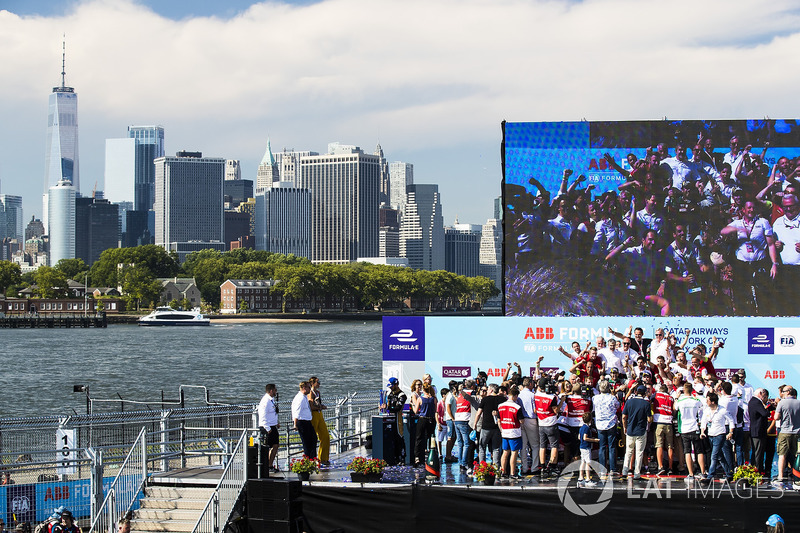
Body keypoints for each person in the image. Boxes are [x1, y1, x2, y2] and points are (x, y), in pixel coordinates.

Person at [700, 392, 734, 482]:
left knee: (714, 456)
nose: (706, 402)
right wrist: (702, 431)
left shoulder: (722, 410)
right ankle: (729, 473)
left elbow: (731, 420)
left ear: (713, 402)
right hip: (711, 435)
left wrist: (730, 432)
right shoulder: (707, 410)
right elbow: (703, 421)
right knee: (719, 456)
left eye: (708, 400)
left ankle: (710, 476)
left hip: (720, 434)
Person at [675, 382, 706, 479]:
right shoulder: (696, 400)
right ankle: (703, 472)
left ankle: (691, 474)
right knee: (699, 451)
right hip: (695, 428)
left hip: (685, 429)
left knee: (687, 451)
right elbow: (701, 411)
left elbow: (674, 408)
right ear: (692, 390)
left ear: (684, 390)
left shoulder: (680, 401)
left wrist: (676, 397)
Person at [621, 385, 652, 479]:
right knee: (639, 452)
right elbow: (649, 419)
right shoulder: (646, 404)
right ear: (644, 393)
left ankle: (624, 471)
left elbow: (623, 417)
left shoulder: (629, 402)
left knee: (628, 451)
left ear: (636, 392)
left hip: (630, 430)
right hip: (641, 431)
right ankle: (637, 473)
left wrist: (624, 427)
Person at [773, 386, 800, 489]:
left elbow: (776, 417)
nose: (782, 394)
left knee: (782, 455)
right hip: (797, 432)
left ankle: (780, 477)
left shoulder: (782, 403)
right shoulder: (799, 402)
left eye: (783, 392)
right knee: (796, 455)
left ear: (788, 393)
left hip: (785, 432)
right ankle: (796, 476)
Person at [497, 386, 524, 479]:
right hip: (514, 432)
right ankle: (513, 473)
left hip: (504, 431)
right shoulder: (517, 407)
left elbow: (499, 420)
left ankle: (503, 472)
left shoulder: (500, 406)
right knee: (514, 453)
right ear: (515, 396)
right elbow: (521, 421)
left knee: (505, 452)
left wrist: (501, 429)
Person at [474, 383, 503, 468]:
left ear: (491, 390)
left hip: (486, 427)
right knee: (496, 448)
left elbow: (478, 413)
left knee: (482, 447)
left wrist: (475, 423)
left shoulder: (485, 400)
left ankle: (482, 467)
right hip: (497, 427)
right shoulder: (502, 399)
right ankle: (496, 468)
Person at [381, 377, 408, 465]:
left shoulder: (402, 395)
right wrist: (383, 408)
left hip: (398, 420)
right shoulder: (390, 394)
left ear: (396, 384)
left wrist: (388, 407)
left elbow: (398, 408)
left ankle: (402, 458)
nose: (390, 388)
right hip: (390, 419)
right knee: (391, 439)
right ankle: (394, 458)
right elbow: (388, 405)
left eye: (392, 386)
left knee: (399, 438)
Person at [518, 375, 540, 475]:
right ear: (530, 384)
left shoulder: (519, 395)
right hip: (531, 420)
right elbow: (535, 409)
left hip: (521, 421)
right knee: (535, 445)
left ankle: (524, 468)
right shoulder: (532, 395)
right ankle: (535, 467)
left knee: (523, 446)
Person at [652, 384, 675, 476]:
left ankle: (660, 467)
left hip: (659, 422)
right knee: (670, 446)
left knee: (659, 445)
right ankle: (670, 468)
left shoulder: (656, 395)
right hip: (669, 422)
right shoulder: (671, 397)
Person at [307, 377, 331, 466]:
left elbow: (318, 404)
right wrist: (320, 407)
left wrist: (321, 406)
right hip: (314, 415)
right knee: (313, 438)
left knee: (325, 436)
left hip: (319, 414)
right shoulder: (310, 393)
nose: (319, 384)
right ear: (312, 383)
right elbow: (312, 406)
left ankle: (323, 457)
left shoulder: (318, 392)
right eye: (318, 382)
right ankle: (312, 459)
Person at [257, 383, 280, 472]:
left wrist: (276, 423)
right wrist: (267, 428)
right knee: (267, 447)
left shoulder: (271, 400)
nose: (276, 392)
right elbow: (262, 415)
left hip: (272, 426)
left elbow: (272, 413)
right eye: (275, 390)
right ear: (271, 391)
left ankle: (270, 465)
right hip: (267, 427)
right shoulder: (265, 401)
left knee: (275, 445)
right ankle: (266, 466)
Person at [291, 381, 317, 459]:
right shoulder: (300, 398)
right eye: (309, 387)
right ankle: (308, 459)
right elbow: (297, 412)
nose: (310, 389)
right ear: (304, 388)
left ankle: (312, 458)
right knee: (307, 442)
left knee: (313, 439)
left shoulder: (304, 396)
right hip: (302, 422)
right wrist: (295, 424)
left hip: (307, 421)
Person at [413, 384, 436, 467]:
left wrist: (413, 405)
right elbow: (435, 410)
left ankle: (417, 457)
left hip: (422, 419)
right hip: (431, 419)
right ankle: (432, 455)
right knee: (431, 438)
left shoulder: (420, 399)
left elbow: (416, 411)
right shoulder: (433, 399)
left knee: (419, 438)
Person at [749, 388, 771, 475]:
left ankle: (757, 469)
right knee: (758, 453)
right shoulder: (756, 402)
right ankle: (757, 471)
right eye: (764, 395)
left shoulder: (754, 401)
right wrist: (768, 407)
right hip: (758, 431)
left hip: (757, 430)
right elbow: (765, 413)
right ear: (760, 393)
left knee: (758, 452)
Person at [578, 412, 600, 487]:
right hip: (586, 447)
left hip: (581, 446)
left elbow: (579, 437)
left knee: (582, 462)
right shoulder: (587, 428)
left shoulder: (581, 427)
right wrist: (594, 440)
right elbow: (585, 437)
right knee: (588, 463)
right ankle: (587, 479)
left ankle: (580, 478)